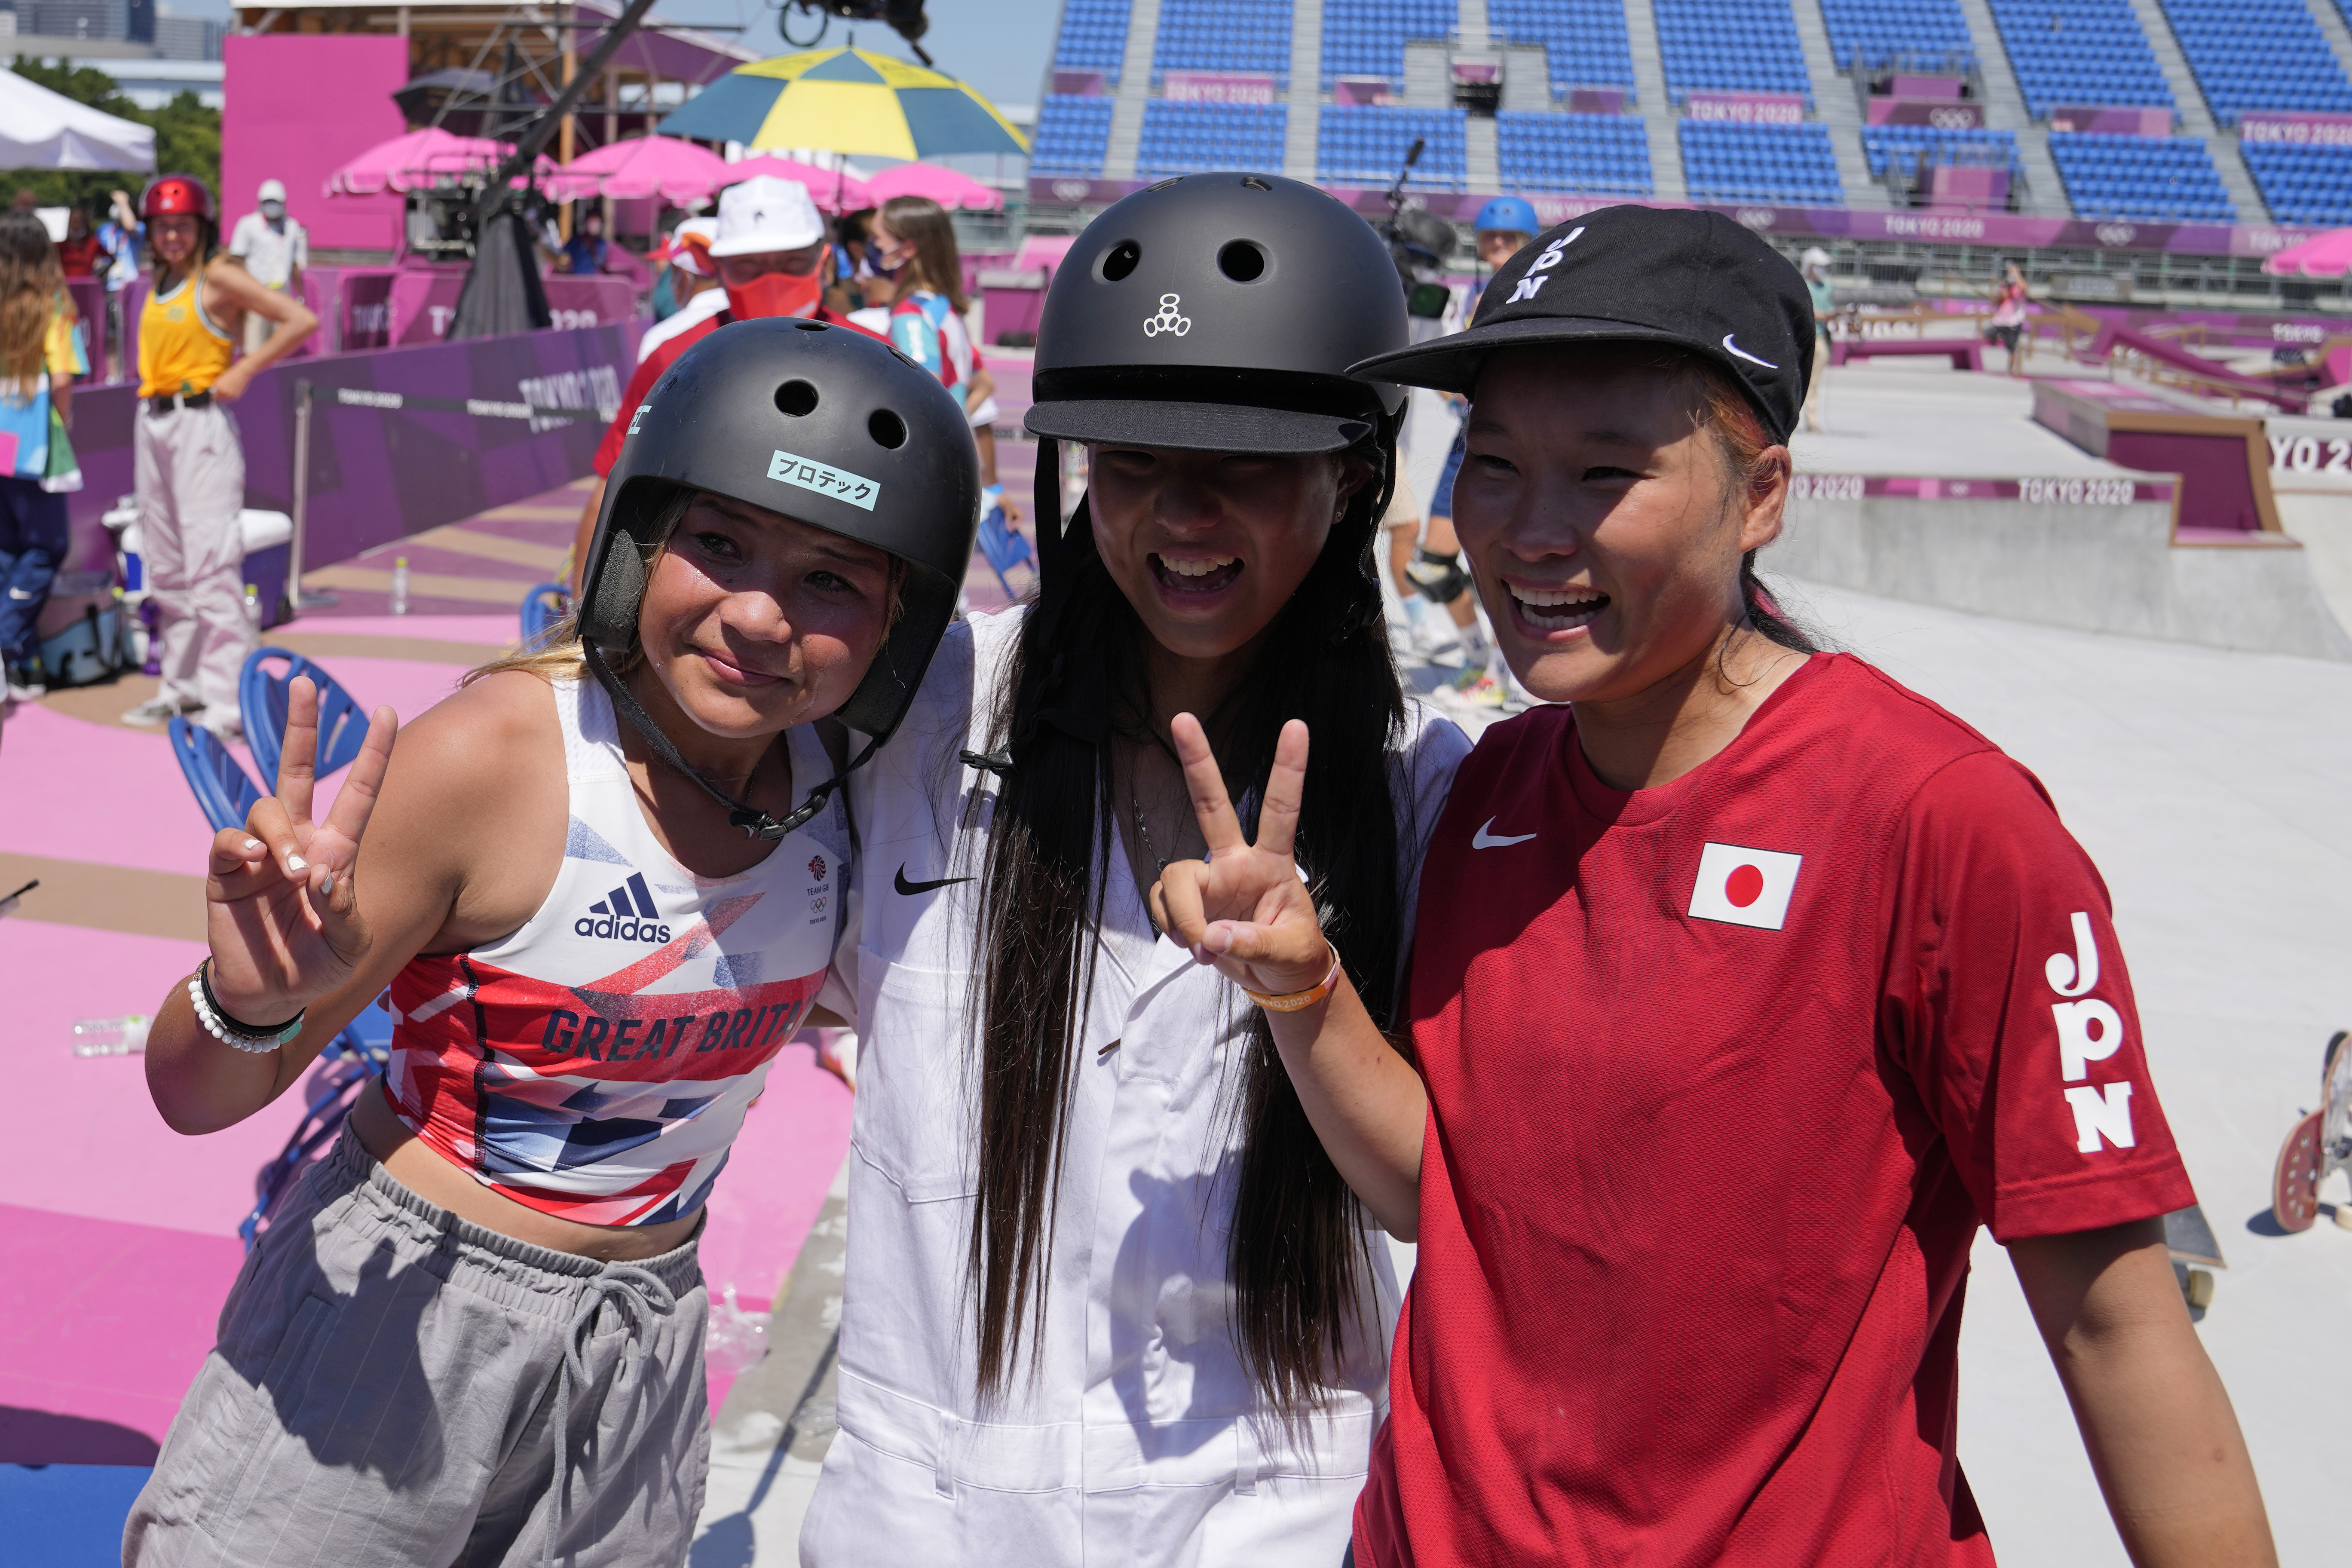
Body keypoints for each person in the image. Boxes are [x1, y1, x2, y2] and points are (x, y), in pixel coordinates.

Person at [1149, 205, 2278, 1566]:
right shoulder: (1494, 790)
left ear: (1763, 495)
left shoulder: (1943, 819)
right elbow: (1447, 1199)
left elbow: (2116, 1322)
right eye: (1493, 464)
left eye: (1606, 473)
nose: (1529, 531)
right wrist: (1309, 990)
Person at [124, 319, 981, 1565]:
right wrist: (248, 1001)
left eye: (830, 580)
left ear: (898, 626)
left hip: (640, 1343)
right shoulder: (503, 759)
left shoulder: (843, 792)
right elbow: (193, 1095)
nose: (757, 614)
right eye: (722, 543)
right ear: (639, 542)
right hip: (400, 1322)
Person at [799, 172, 1472, 1567]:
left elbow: (1445, 1191)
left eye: (1246, 460)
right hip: (917, 1498)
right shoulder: (919, 713)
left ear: (1355, 475)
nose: (1183, 513)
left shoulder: (1427, 792)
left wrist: (1310, 993)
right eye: (1133, 456)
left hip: (1266, 1500)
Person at [567, 178, 877, 592]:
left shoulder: (876, 361)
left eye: (791, 263)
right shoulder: (675, 356)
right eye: (748, 266)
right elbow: (614, 484)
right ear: (719, 267)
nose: (771, 280)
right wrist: (585, 618)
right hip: (699, 582)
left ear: (823, 259)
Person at [117, 175, 318, 741]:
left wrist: (245, 369)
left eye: (181, 226)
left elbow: (300, 319)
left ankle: (228, 703)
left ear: (201, 227)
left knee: (210, 563)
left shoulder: (218, 275)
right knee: (167, 565)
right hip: (153, 421)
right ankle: (180, 690)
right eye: (162, 227)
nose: (172, 236)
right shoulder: (162, 278)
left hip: (200, 424)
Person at [858, 194, 1019, 575]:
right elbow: (982, 385)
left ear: (907, 247)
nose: (872, 250)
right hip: (950, 472)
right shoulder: (947, 310)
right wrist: (991, 487)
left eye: (878, 241)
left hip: (919, 479)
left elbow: (923, 400)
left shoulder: (911, 316)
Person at [0, 211, 86, 703]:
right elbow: (62, 381)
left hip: (3, 445)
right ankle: (7, 638)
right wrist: (63, 420)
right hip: (33, 442)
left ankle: (17, 662)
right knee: (47, 546)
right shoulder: (54, 306)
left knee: (8, 551)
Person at [226, 178, 310, 355]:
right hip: (256, 292)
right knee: (254, 347)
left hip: (282, 292)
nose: (272, 206)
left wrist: (301, 296)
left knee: (280, 347)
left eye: (275, 202)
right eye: (268, 202)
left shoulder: (292, 227)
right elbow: (236, 259)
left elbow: (295, 264)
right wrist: (241, 291)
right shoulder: (248, 224)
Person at [1801, 245, 1834, 432]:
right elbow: (1809, 310)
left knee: (1814, 383)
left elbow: (1829, 309)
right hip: (1805, 338)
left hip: (1820, 338)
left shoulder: (1827, 287)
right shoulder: (1802, 284)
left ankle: (1811, 419)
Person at [1988, 260, 2031, 374]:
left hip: (2013, 323)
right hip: (2000, 321)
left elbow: (2024, 288)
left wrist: (2016, 273)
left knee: (2012, 349)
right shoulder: (2004, 287)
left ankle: (2010, 371)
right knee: (1983, 336)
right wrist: (2002, 295)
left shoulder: (2020, 286)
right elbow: (1997, 301)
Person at [55, 205, 110, 279]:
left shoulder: (93, 243)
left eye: (80, 222)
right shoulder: (60, 245)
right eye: (74, 222)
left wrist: (99, 276)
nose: (76, 226)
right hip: (65, 286)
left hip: (86, 287)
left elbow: (111, 259)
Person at [562, 206, 609, 275]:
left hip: (593, 283)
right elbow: (563, 257)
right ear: (586, 221)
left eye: (596, 221)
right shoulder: (575, 240)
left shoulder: (602, 244)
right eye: (592, 220)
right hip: (574, 281)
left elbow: (602, 264)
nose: (594, 224)